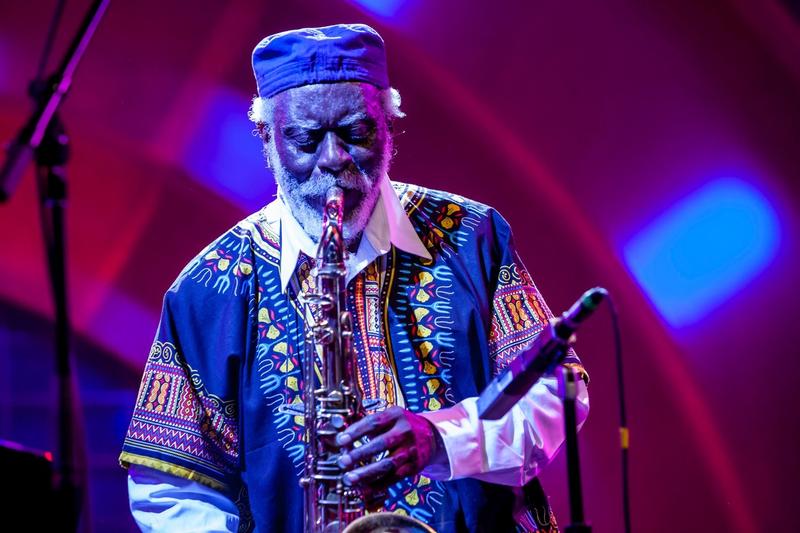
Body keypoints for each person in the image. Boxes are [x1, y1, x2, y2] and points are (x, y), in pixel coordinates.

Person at [119, 23, 589, 533]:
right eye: (304, 138)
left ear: (388, 126)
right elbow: (171, 492)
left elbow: (559, 395)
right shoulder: (208, 289)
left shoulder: (474, 236)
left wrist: (443, 438)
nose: (333, 160)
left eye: (355, 133)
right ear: (266, 138)